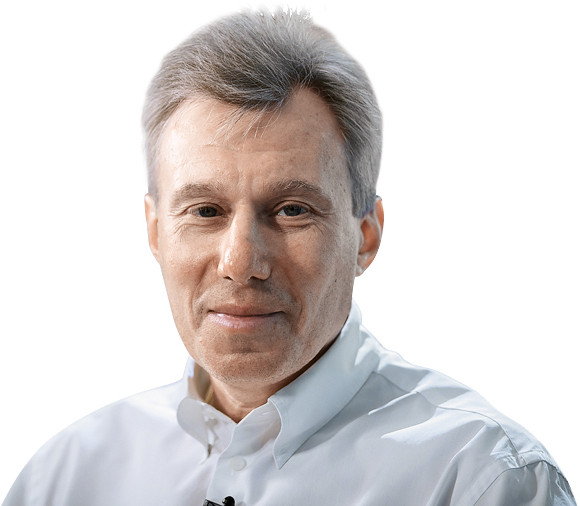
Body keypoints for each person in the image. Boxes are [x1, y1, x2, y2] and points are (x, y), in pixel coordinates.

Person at [3, 9, 576, 506]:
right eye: (205, 211)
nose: (240, 262)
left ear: (366, 235)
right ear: (155, 232)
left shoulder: (481, 480)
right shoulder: (63, 480)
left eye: (292, 210)